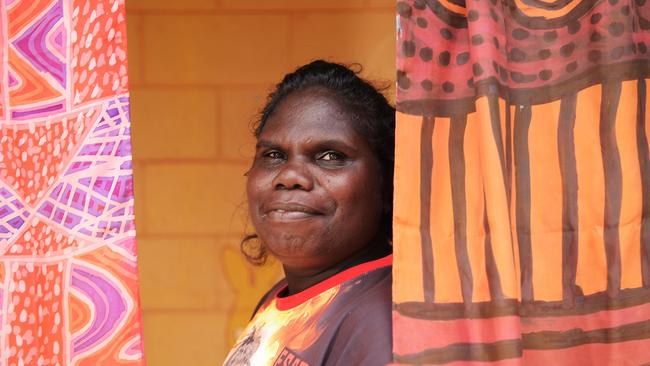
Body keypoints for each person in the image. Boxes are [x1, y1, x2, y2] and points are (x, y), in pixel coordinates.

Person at [224, 60, 395, 366]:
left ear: (386, 182)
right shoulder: (280, 298)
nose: (290, 176)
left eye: (331, 156)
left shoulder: (383, 324)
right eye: (274, 155)